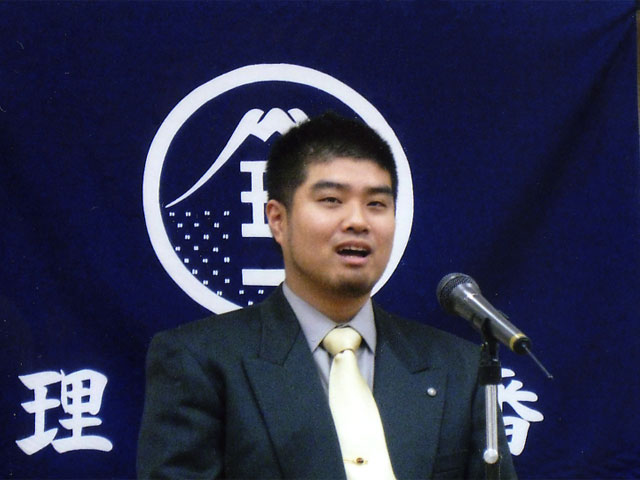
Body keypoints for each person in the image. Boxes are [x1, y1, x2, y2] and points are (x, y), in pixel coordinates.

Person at [137, 112, 517, 479]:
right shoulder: (200, 360)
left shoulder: (460, 368)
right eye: (332, 200)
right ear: (277, 220)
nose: (358, 221)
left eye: (376, 204)